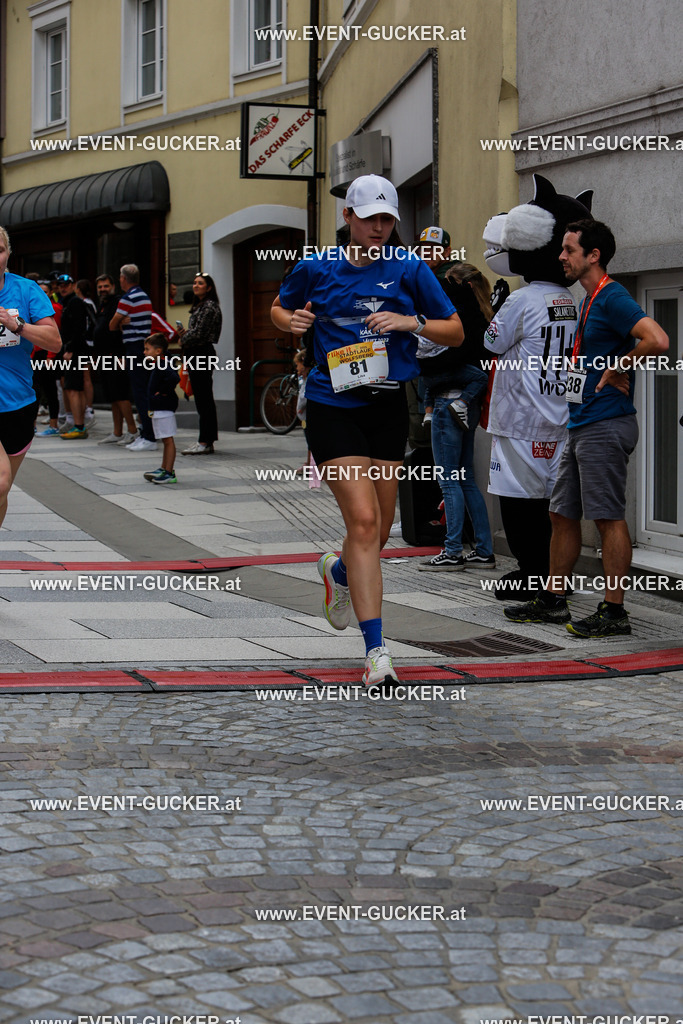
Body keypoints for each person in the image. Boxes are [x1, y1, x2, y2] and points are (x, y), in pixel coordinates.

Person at [271, 174, 463, 688]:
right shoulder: (316, 266)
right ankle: (377, 653)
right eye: (371, 218)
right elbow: (280, 307)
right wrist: (289, 323)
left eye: (388, 219)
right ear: (348, 218)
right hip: (333, 406)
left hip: (385, 406)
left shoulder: (410, 268)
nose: (380, 228)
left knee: (377, 531)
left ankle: (337, 572)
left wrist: (410, 324)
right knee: (361, 521)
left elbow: (457, 330)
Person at [505, 219, 669, 637]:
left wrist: (621, 364)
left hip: (605, 424)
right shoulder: (588, 300)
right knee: (561, 514)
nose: (561, 257)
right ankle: (554, 600)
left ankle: (614, 612)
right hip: (580, 423)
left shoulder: (612, 296)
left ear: (592, 255)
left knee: (608, 519)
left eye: (569, 249)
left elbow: (657, 339)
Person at [418, 261, 495, 571]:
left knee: (449, 480)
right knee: (466, 479)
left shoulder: (455, 315)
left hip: (446, 404)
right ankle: (484, 550)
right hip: (468, 403)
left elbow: (432, 363)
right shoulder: (482, 314)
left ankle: (452, 551)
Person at [0, 226, 61, 525]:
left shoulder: (25, 290)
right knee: (0, 481)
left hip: (19, 402)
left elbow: (54, 341)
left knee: (2, 489)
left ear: (8, 254)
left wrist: (16, 325)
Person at [109, 264, 156, 451]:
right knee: (144, 391)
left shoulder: (127, 298)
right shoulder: (144, 296)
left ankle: (149, 437)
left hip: (134, 348)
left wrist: (121, 321)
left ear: (123, 278)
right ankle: (147, 432)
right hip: (143, 346)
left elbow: (112, 324)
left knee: (139, 392)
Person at [177, 272, 222, 455]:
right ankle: (206, 440)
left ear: (208, 287)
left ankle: (205, 440)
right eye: (194, 283)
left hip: (201, 353)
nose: (196, 286)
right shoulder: (200, 306)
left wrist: (184, 338)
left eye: (200, 283)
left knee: (204, 398)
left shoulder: (209, 307)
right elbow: (197, 331)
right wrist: (186, 335)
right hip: (196, 352)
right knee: (202, 398)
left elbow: (200, 334)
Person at [93, 274, 138, 445]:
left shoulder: (119, 302)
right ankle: (117, 432)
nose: (103, 290)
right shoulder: (102, 305)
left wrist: (120, 355)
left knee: (120, 394)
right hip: (103, 356)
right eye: (100, 287)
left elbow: (120, 325)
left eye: (105, 286)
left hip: (117, 355)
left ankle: (132, 430)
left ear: (113, 286)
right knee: (112, 395)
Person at [141, 333, 179, 485]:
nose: (144, 352)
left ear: (158, 351)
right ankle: (164, 468)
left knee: (168, 439)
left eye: (147, 349)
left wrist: (162, 392)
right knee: (165, 438)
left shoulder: (163, 363)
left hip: (164, 406)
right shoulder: (160, 362)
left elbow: (174, 378)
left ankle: (169, 472)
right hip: (159, 407)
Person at [55, 274, 89, 439]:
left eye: (66, 284)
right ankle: (79, 424)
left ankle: (79, 426)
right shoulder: (67, 302)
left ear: (73, 285)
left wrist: (70, 349)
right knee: (74, 387)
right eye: (60, 285)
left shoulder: (74, 302)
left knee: (73, 388)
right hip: (73, 349)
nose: (63, 287)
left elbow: (78, 328)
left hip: (74, 350)